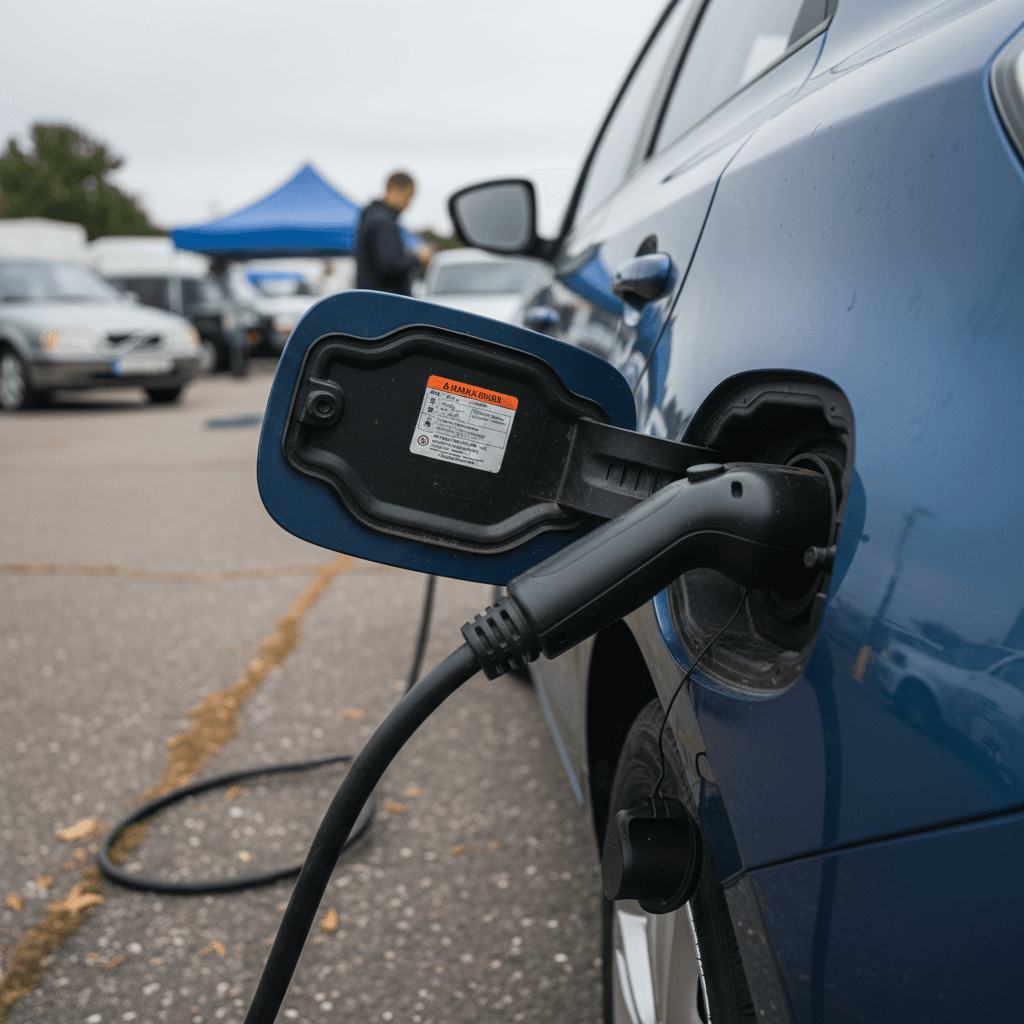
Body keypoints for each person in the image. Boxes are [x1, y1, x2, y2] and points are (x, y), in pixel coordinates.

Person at [354, 171, 434, 295]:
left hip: (372, 301)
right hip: (385, 303)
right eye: (408, 197)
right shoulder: (382, 222)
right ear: (395, 191)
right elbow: (389, 265)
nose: (408, 204)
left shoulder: (371, 216)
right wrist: (417, 257)